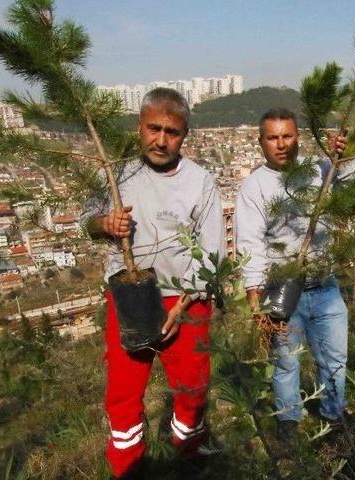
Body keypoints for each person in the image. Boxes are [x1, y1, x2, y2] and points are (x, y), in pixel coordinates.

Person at [80, 88, 225, 479]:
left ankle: (189, 460)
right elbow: (86, 222)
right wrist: (104, 224)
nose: (162, 140)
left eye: (172, 132)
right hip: (129, 297)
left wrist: (181, 307)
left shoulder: (200, 181)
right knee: (124, 395)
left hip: (187, 298)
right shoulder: (115, 174)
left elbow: (213, 252)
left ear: (185, 135)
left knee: (192, 390)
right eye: (154, 129)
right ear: (138, 127)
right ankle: (129, 469)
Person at [234, 107, 350, 452]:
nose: (281, 144)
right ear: (261, 142)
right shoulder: (254, 187)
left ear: (297, 137)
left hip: (325, 286)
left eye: (287, 136)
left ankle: (334, 417)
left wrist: (342, 155)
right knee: (285, 363)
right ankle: (289, 422)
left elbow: (351, 181)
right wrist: (255, 297)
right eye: (273, 138)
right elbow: (250, 244)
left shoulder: (317, 170)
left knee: (335, 359)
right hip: (282, 292)